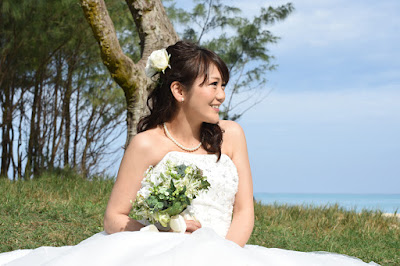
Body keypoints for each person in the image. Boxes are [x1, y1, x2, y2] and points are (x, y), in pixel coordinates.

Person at [0, 41, 378, 266]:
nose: (221, 95)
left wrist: (223, 255)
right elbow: (114, 219)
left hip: (227, 252)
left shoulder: (232, 135)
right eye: (213, 85)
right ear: (179, 91)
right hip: (159, 250)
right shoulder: (146, 144)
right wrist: (163, 227)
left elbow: (245, 211)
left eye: (223, 85)